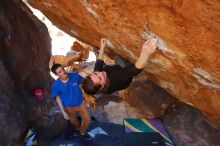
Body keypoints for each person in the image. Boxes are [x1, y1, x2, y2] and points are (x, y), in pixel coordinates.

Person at [82, 38, 158, 95]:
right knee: (118, 59)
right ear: (102, 87)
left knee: (100, 65)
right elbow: (134, 70)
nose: (100, 73)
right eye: (100, 78)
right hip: (123, 76)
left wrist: (102, 48)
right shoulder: (116, 77)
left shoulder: (98, 77)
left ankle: (97, 53)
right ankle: (126, 64)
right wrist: (145, 53)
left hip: (111, 73)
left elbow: (98, 64)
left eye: (95, 73)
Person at [51, 64, 92, 140]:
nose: (63, 72)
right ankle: (77, 129)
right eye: (60, 72)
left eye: (63, 69)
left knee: (87, 120)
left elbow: (83, 85)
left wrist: (87, 99)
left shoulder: (75, 75)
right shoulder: (55, 85)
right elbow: (58, 97)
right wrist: (63, 111)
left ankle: (81, 132)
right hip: (68, 107)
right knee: (73, 121)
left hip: (80, 103)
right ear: (57, 75)